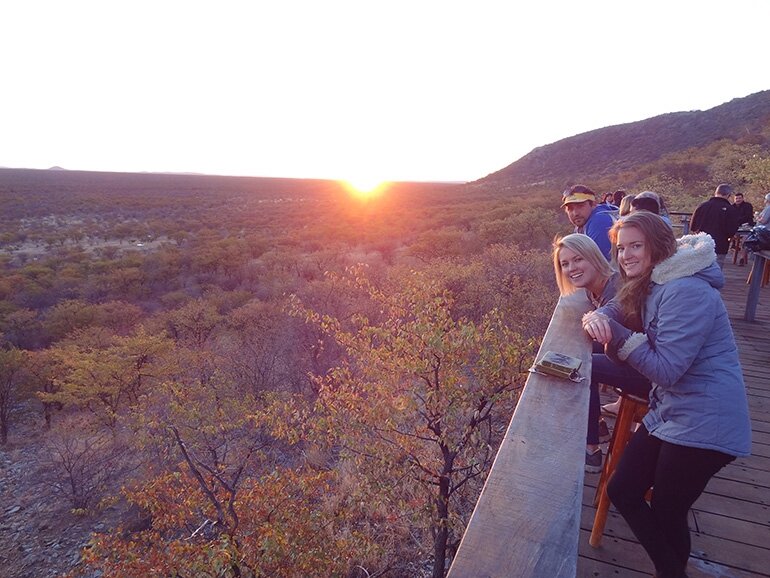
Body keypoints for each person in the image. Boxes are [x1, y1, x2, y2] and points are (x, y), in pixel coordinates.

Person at [582, 212, 751, 578]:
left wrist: (616, 334)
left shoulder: (685, 291)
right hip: (673, 410)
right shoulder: (654, 282)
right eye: (621, 247)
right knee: (624, 488)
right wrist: (597, 317)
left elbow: (667, 370)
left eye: (635, 246)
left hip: (707, 418)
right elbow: (621, 307)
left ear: (658, 246)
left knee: (667, 508)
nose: (625, 255)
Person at [553, 233, 621, 471]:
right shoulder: (596, 288)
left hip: (646, 372)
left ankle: (591, 448)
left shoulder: (615, 288)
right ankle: (597, 426)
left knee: (579, 366)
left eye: (578, 259)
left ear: (593, 256)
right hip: (627, 354)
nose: (571, 268)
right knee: (570, 356)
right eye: (565, 264)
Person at [561, 184, 616, 261]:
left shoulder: (599, 221)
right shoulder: (583, 223)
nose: (575, 213)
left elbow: (599, 264)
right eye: (570, 209)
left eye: (580, 206)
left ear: (593, 204)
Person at [690, 183, 740, 268]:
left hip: (700, 243)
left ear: (715, 193)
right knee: (716, 270)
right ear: (728, 195)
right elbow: (731, 230)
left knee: (699, 270)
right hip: (720, 245)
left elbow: (693, 226)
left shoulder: (702, 206)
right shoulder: (730, 209)